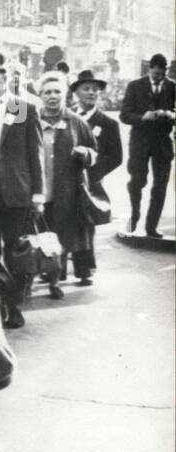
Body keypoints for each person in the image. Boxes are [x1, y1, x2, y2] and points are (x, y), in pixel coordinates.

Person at [0, 51, 45, 329]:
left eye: (3, 72)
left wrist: (38, 194)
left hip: (16, 193)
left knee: (16, 253)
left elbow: (35, 155)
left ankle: (14, 306)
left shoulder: (24, 110)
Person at [35, 71, 98, 297]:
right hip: (39, 190)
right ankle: (48, 273)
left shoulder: (77, 122)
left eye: (57, 92)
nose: (52, 96)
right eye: (47, 92)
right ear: (40, 95)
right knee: (42, 234)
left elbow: (94, 151)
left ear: (65, 95)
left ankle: (56, 280)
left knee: (63, 233)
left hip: (67, 191)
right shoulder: (29, 118)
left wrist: (86, 154)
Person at [69, 69, 123, 284]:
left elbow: (116, 157)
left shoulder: (108, 124)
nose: (91, 93)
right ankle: (54, 269)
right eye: (86, 89)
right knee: (60, 221)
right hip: (64, 179)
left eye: (94, 89)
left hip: (89, 183)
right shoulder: (67, 116)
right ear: (76, 92)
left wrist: (93, 174)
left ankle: (84, 269)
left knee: (85, 224)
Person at [118, 53, 175, 237]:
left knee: (160, 185)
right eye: (155, 73)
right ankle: (134, 216)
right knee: (137, 181)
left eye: (162, 74)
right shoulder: (135, 86)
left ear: (166, 70)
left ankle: (151, 226)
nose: (158, 77)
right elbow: (124, 115)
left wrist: (172, 115)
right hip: (140, 143)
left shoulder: (173, 86)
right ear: (150, 69)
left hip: (163, 144)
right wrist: (143, 117)